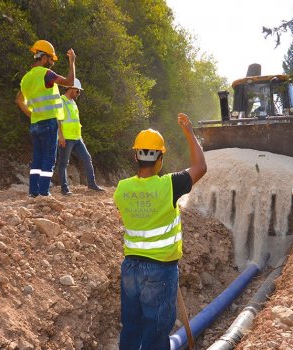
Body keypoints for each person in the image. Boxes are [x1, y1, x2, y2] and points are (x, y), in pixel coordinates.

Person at [113, 113, 207, 350]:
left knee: (131, 328)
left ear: (136, 156)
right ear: (160, 158)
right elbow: (200, 167)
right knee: (156, 333)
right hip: (160, 270)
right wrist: (189, 132)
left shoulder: (122, 189)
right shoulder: (170, 185)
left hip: (131, 268)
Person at [15, 39, 76, 197]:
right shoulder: (46, 74)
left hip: (35, 124)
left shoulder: (26, 78)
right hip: (49, 123)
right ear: (43, 57)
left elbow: (19, 100)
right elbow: (70, 82)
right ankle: (43, 193)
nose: (51, 63)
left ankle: (33, 192)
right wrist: (72, 62)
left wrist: (31, 114)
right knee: (48, 159)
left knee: (37, 159)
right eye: (50, 59)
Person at [57, 78, 104, 194]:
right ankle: (64, 189)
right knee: (63, 163)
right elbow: (57, 120)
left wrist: (80, 136)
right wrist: (61, 136)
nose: (78, 93)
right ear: (71, 88)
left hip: (77, 138)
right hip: (66, 138)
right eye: (77, 91)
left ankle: (92, 184)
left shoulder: (73, 103)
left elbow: (75, 121)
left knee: (87, 158)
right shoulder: (61, 101)